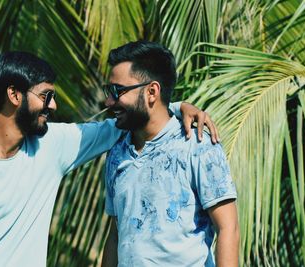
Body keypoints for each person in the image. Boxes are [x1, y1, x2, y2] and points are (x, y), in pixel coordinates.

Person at [0, 51, 218, 266]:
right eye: (46, 95)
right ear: (14, 94)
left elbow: (136, 115)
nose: (53, 105)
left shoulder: (51, 146)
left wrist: (177, 106)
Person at [101, 41, 239, 267]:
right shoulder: (117, 154)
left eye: (117, 91)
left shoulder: (197, 145)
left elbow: (228, 228)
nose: (108, 101)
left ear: (152, 92)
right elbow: (116, 233)